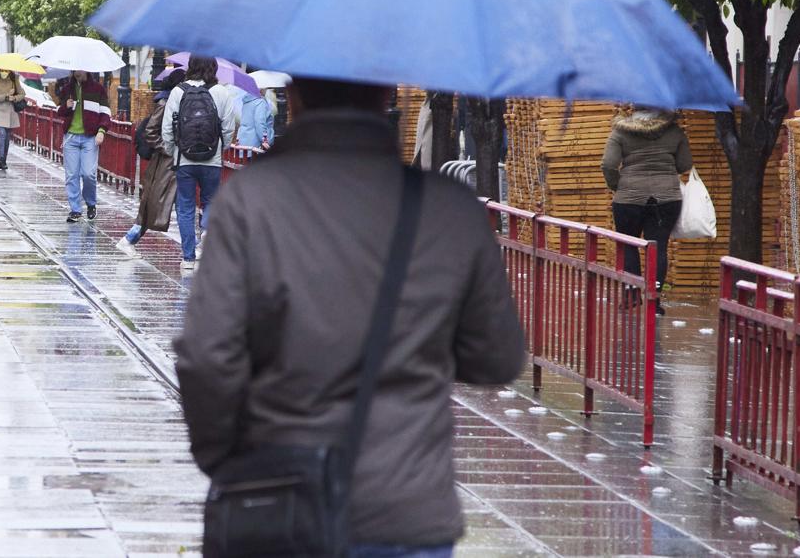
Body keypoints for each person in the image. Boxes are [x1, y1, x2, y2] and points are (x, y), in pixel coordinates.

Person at [173, 77, 526, 557]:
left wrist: (226, 460)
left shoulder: (252, 200)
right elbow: (497, 357)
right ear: (385, 96)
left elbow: (207, 356)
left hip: (281, 499)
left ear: (294, 98)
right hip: (405, 507)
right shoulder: (449, 209)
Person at [601, 107, 693, 316]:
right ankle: (655, 299)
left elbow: (608, 164)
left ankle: (632, 294)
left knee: (628, 244)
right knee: (659, 247)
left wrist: (618, 186)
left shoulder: (621, 132)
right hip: (666, 198)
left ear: (634, 107)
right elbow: (685, 164)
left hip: (629, 199)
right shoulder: (674, 131)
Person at [161, 57, 237, 272]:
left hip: (184, 159)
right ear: (213, 68)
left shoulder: (178, 91)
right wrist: (221, 148)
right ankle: (206, 229)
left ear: (190, 67)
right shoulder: (222, 92)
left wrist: (172, 151)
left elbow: (167, 128)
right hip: (212, 160)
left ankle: (187, 257)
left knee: (185, 207)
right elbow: (229, 127)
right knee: (210, 201)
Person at [116, 69, 185, 257]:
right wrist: (168, 148)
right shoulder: (167, 103)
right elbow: (151, 132)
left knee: (173, 205)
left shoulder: (175, 101)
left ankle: (192, 249)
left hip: (173, 163)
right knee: (156, 206)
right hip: (165, 164)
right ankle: (130, 238)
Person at [55, 70, 111, 222]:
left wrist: (101, 131)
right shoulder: (67, 89)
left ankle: (91, 203)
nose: (76, 73)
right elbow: (59, 112)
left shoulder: (98, 89)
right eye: (74, 70)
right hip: (71, 137)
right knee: (71, 175)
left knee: (88, 174)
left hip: (90, 138)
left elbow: (105, 113)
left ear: (86, 70)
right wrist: (66, 106)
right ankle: (75, 210)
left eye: (79, 70)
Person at [0, 69, 26, 169]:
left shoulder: (14, 80)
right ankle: (0, 159)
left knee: (7, 136)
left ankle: (4, 160)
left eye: (6, 70)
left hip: (11, 112)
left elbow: (22, 94)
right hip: (0, 111)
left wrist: (14, 98)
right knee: (2, 133)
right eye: (2, 70)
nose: (4, 72)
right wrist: (6, 96)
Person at [231, 84, 275, 150]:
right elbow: (260, 123)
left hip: (243, 140)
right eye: (266, 88)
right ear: (261, 89)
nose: (266, 90)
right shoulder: (260, 102)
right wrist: (265, 141)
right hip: (256, 144)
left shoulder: (247, 101)